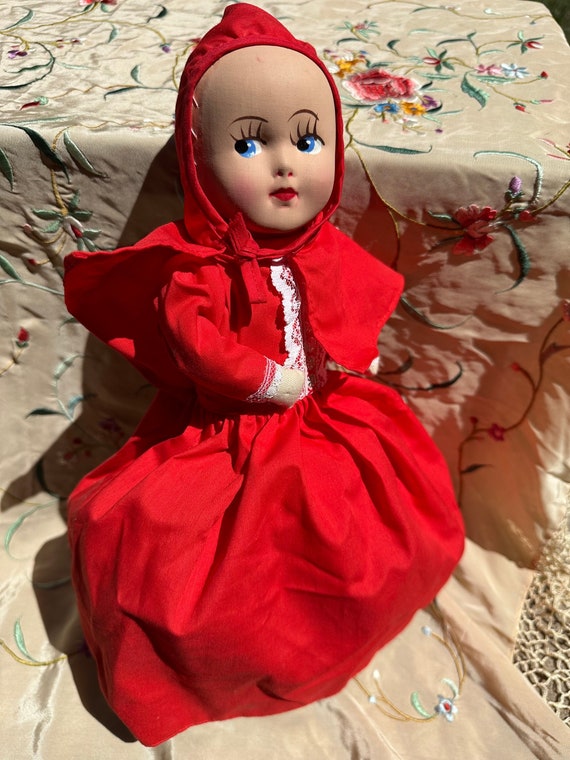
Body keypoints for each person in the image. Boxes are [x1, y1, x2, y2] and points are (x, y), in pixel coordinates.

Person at [64, 3, 464, 747]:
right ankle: (209, 671)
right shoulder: (195, 271)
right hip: (226, 431)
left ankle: (329, 635)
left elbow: (346, 302)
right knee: (165, 553)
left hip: (322, 413)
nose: (285, 163)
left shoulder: (321, 249)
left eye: (308, 140)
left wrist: (348, 356)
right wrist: (263, 379)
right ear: (198, 160)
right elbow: (197, 343)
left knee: (368, 527)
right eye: (249, 143)